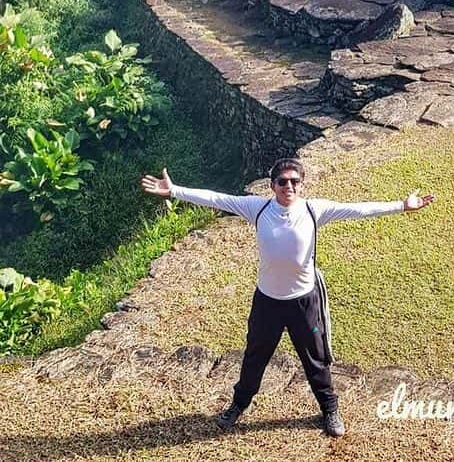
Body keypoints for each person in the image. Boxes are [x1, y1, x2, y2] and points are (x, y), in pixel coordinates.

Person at [141, 158, 435, 438]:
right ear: (272, 185)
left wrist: (402, 206)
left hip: (304, 302)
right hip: (267, 301)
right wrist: (175, 191)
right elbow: (216, 198)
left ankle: (330, 409)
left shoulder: (314, 210)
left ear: (302, 184)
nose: (289, 186)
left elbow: (357, 209)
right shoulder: (256, 208)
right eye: (282, 181)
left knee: (316, 360)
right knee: (255, 357)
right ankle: (238, 405)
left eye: (294, 181)